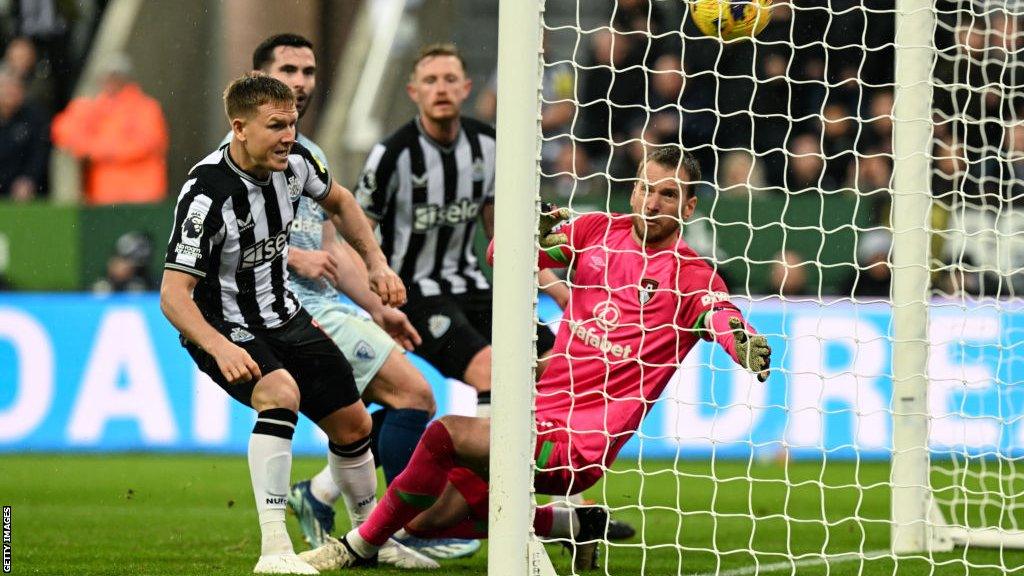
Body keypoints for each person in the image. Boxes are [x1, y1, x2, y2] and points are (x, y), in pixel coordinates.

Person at [300, 146, 772, 570]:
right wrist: (532, 235)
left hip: (582, 442)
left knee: (446, 433)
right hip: (537, 413)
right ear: (632, 191)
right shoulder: (595, 230)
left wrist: (744, 343)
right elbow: (498, 254)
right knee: (425, 520)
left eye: (668, 195)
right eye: (645, 188)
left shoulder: (691, 274)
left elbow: (721, 316)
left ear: (689, 207)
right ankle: (572, 525)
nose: (651, 203)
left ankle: (355, 547)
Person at [160, 73, 406, 575]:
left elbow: (340, 201)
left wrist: (377, 264)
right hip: (219, 323)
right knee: (280, 393)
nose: (289, 135)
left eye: (293, 123)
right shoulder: (207, 194)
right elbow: (172, 294)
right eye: (276, 125)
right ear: (240, 128)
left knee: (354, 423)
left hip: (284, 312)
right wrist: (217, 346)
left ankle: (369, 540)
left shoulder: (296, 164)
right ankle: (274, 549)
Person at [238, 33, 463, 565]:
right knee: (414, 396)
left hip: (326, 306)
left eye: (309, 71)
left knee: (357, 422)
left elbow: (332, 244)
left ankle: (330, 504)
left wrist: (381, 307)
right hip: (287, 310)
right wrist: (292, 258)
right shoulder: (236, 157)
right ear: (258, 80)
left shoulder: (307, 154)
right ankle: (402, 529)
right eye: (288, 70)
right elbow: (226, 240)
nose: (300, 82)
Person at [354, 43, 563, 418]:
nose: (441, 89)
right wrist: (373, 300)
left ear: (466, 88)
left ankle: (337, 475)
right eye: (430, 81)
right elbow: (356, 234)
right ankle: (484, 476)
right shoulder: (392, 155)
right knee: (490, 370)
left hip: (472, 286)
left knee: (552, 360)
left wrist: (561, 295)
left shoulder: (489, 146)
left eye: (450, 80)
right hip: (413, 294)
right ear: (413, 92)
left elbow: (506, 240)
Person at [51, 53, 168, 204]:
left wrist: (100, 149)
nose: (110, 82)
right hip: (103, 197)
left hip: (142, 196)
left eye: (115, 77)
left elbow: (148, 143)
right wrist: (92, 147)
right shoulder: (93, 106)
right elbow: (62, 130)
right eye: (107, 77)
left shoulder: (146, 107)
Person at [0, 67, 47, 200]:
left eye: (14, 88)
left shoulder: (34, 117)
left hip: (22, 185)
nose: (10, 93)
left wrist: (29, 178)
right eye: (5, 88)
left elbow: (39, 154)